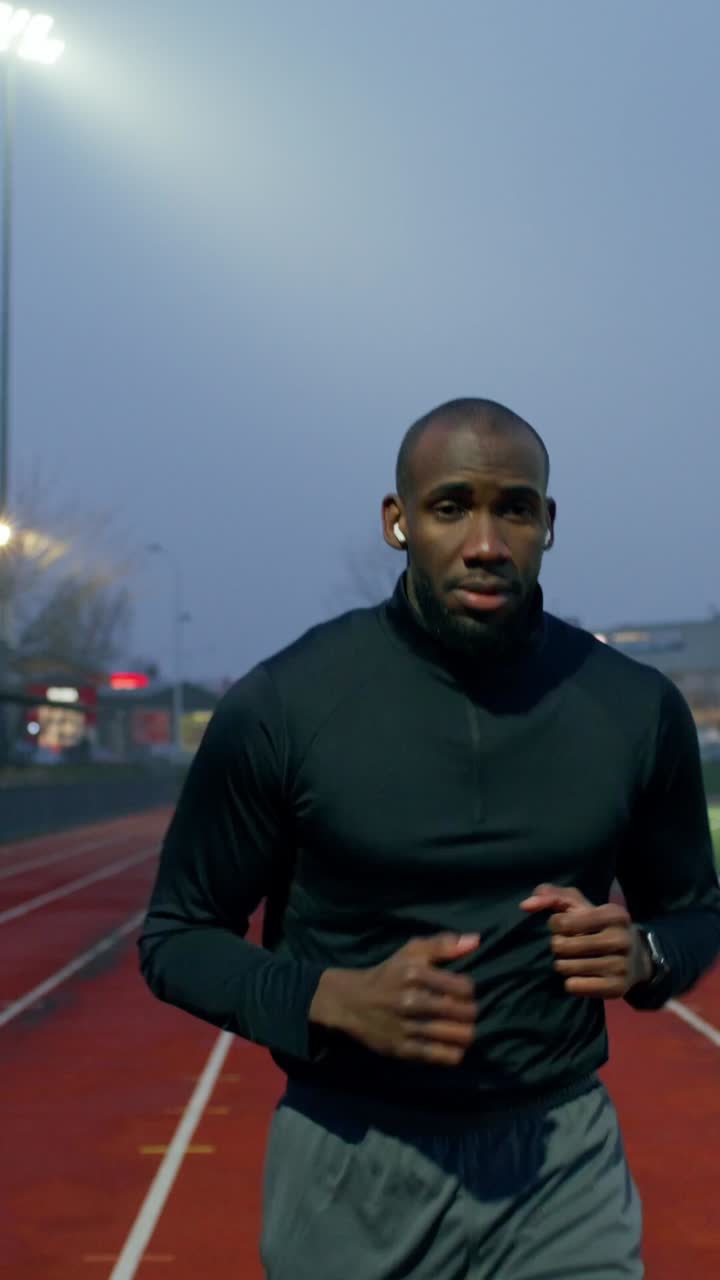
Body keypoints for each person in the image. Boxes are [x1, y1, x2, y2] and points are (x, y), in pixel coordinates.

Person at [139, 397, 720, 1279]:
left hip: (561, 1165)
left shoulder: (634, 708)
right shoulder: (286, 704)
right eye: (451, 507)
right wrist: (328, 998)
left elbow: (696, 912)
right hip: (351, 1162)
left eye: (513, 509)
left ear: (548, 523)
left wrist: (645, 955)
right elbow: (177, 936)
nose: (485, 542)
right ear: (398, 520)